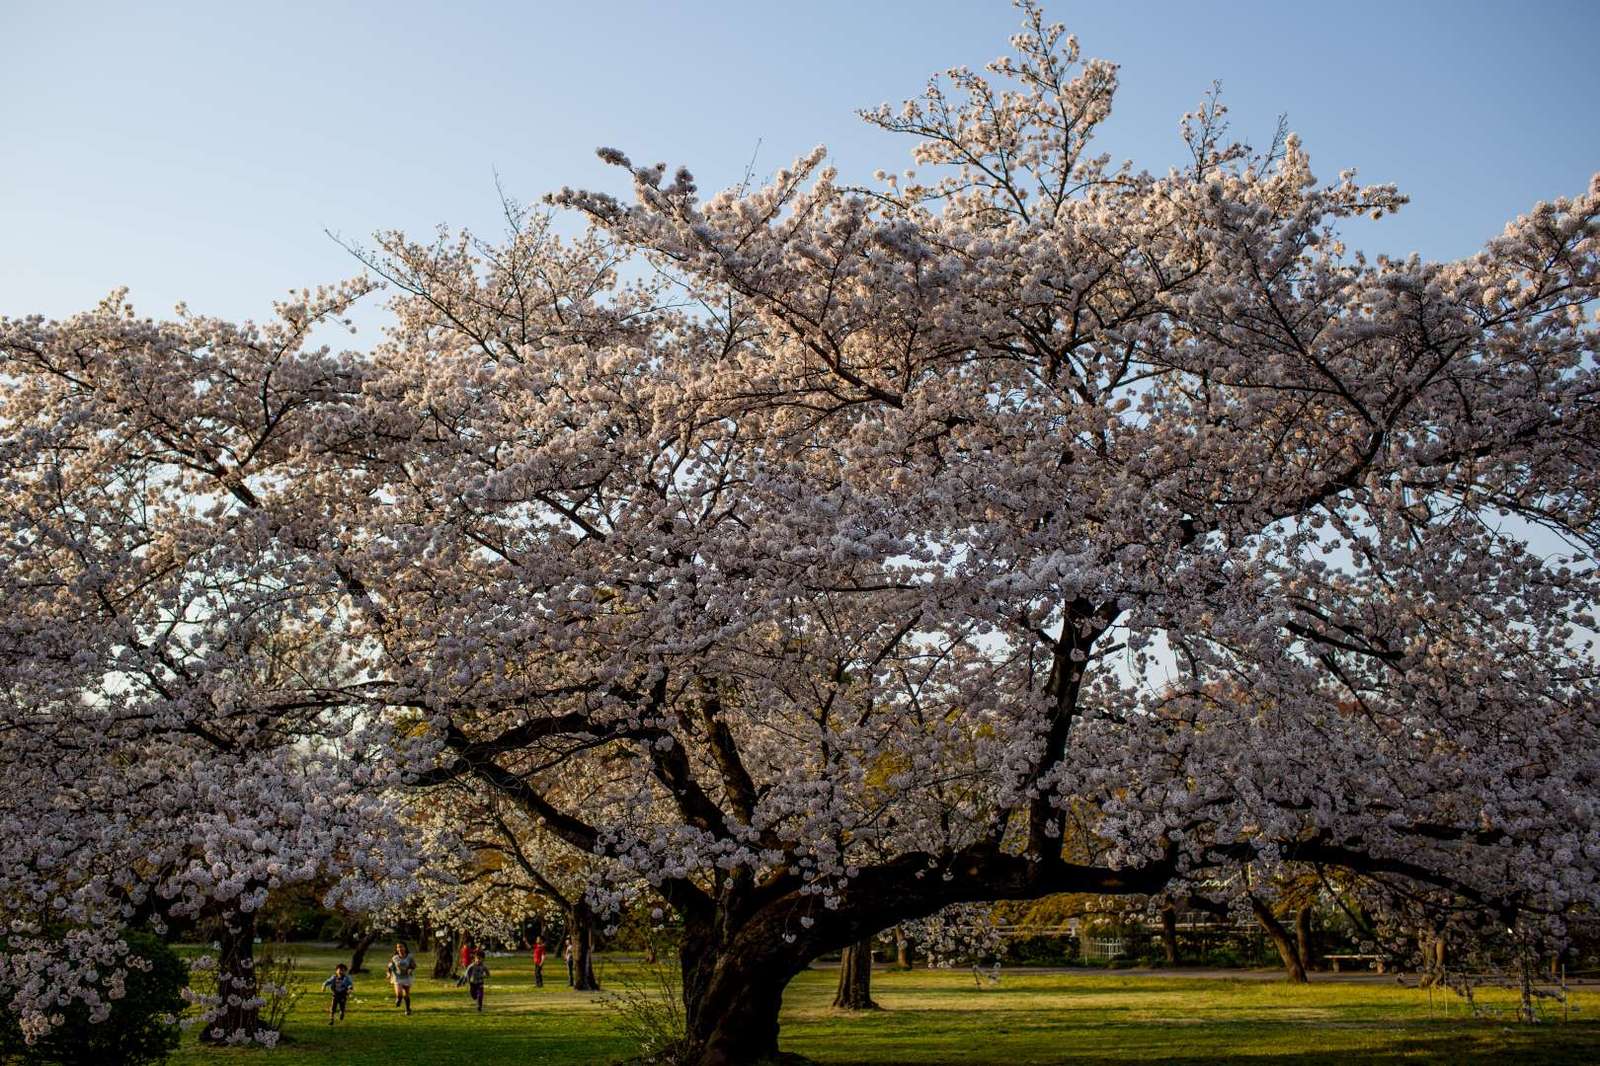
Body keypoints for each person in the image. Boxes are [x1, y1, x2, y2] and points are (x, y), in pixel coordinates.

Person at [386, 941, 417, 1015]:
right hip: (397, 977)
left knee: (406, 994)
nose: (399, 949)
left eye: (401, 947)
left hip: (407, 976)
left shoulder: (409, 957)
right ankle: (399, 999)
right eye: (398, 947)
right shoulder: (395, 957)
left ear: (405, 948)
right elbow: (389, 966)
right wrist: (389, 974)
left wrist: (411, 969)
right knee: (399, 993)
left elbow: (414, 965)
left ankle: (408, 1009)